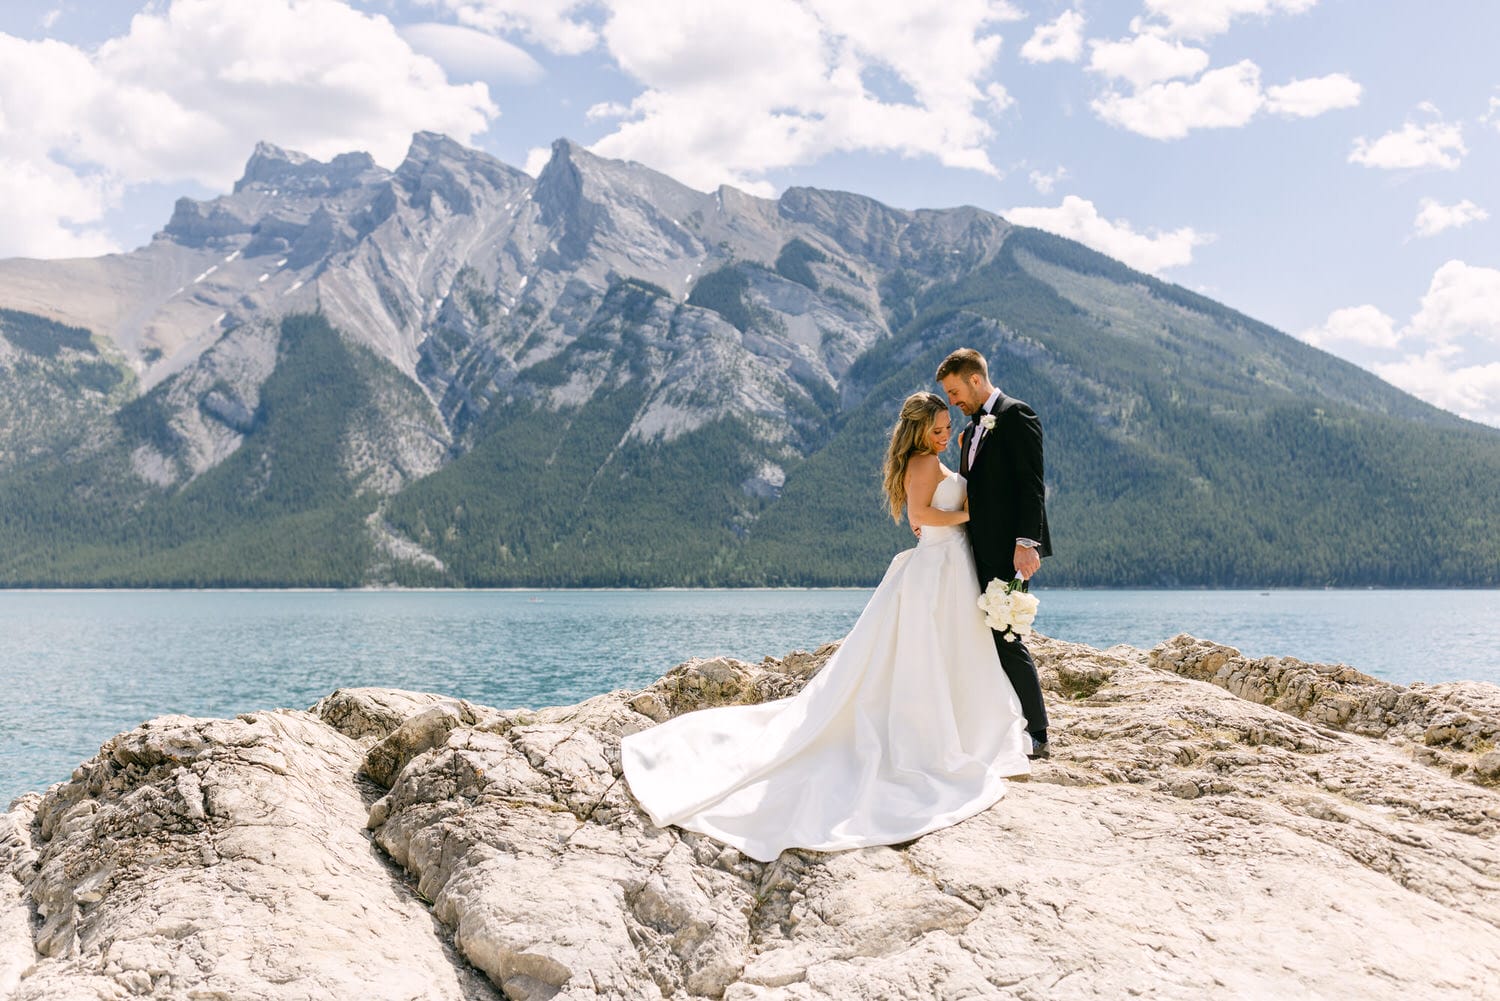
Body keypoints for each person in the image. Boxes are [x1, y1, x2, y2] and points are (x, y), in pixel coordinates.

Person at [620, 391, 1031, 863]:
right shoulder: (920, 462)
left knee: (953, 651)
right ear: (918, 431)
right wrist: (972, 514)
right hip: (935, 567)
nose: (945, 436)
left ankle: (963, 728)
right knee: (926, 655)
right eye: (937, 429)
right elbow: (920, 517)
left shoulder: (930, 459)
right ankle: (928, 735)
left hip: (950, 565)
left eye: (945, 428)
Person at [936, 348, 1053, 759]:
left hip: (1007, 550)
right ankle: (992, 724)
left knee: (1006, 635)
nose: (952, 401)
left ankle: (1037, 732)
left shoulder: (1017, 415)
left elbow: (1031, 485)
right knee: (978, 635)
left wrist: (1026, 544)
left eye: (954, 391)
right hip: (973, 548)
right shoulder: (972, 429)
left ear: (974, 378)